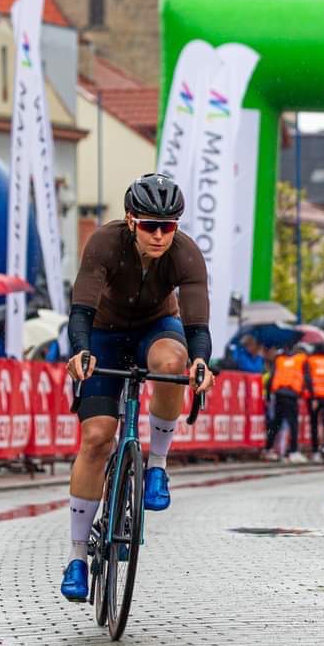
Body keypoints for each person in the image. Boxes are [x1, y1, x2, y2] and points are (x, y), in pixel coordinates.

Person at [61, 173, 215, 601]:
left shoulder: (185, 254)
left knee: (174, 363)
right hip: (104, 333)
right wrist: (80, 352)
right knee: (96, 439)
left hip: (155, 327)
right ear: (131, 221)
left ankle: (157, 467)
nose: (160, 235)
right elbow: (80, 311)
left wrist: (201, 361)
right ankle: (77, 556)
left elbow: (197, 325)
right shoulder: (105, 244)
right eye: (151, 225)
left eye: (169, 226)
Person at [266, 344, 311, 462]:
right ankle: (294, 451)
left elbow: (272, 377)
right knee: (293, 423)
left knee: (276, 422)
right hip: (291, 394)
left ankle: (268, 449)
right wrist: (309, 393)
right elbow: (306, 378)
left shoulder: (280, 359)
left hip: (279, 393)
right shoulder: (301, 360)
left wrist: (268, 396)